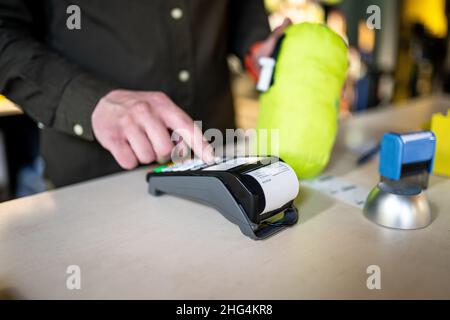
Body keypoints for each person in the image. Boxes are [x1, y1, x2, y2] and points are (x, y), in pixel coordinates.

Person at [0, 0, 288, 187]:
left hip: (219, 155)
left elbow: (240, 9)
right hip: (98, 179)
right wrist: (89, 101)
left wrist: (256, 47)